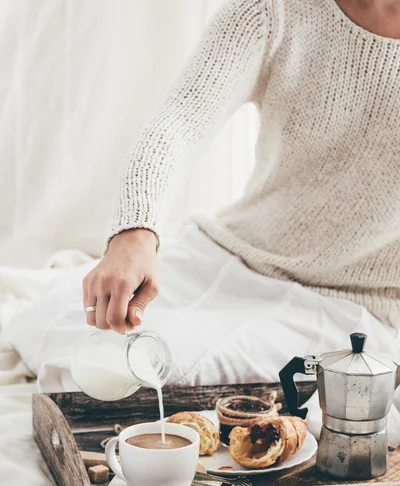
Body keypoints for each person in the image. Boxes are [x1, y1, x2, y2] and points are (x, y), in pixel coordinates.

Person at [82, 0, 400, 339]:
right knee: (75, 333)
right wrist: (135, 232)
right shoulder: (268, 10)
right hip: (237, 258)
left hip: (367, 310)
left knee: (161, 365)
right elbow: (181, 122)